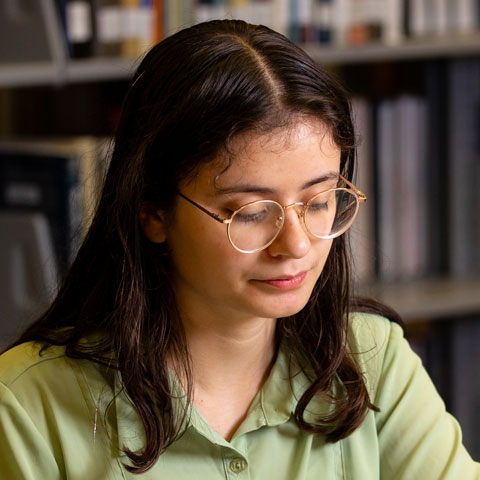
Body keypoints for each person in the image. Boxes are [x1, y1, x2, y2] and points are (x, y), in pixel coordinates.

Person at [0, 19, 478, 480]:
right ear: (153, 212)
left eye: (318, 201)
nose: (296, 245)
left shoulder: (374, 360)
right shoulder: (25, 403)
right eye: (250, 213)